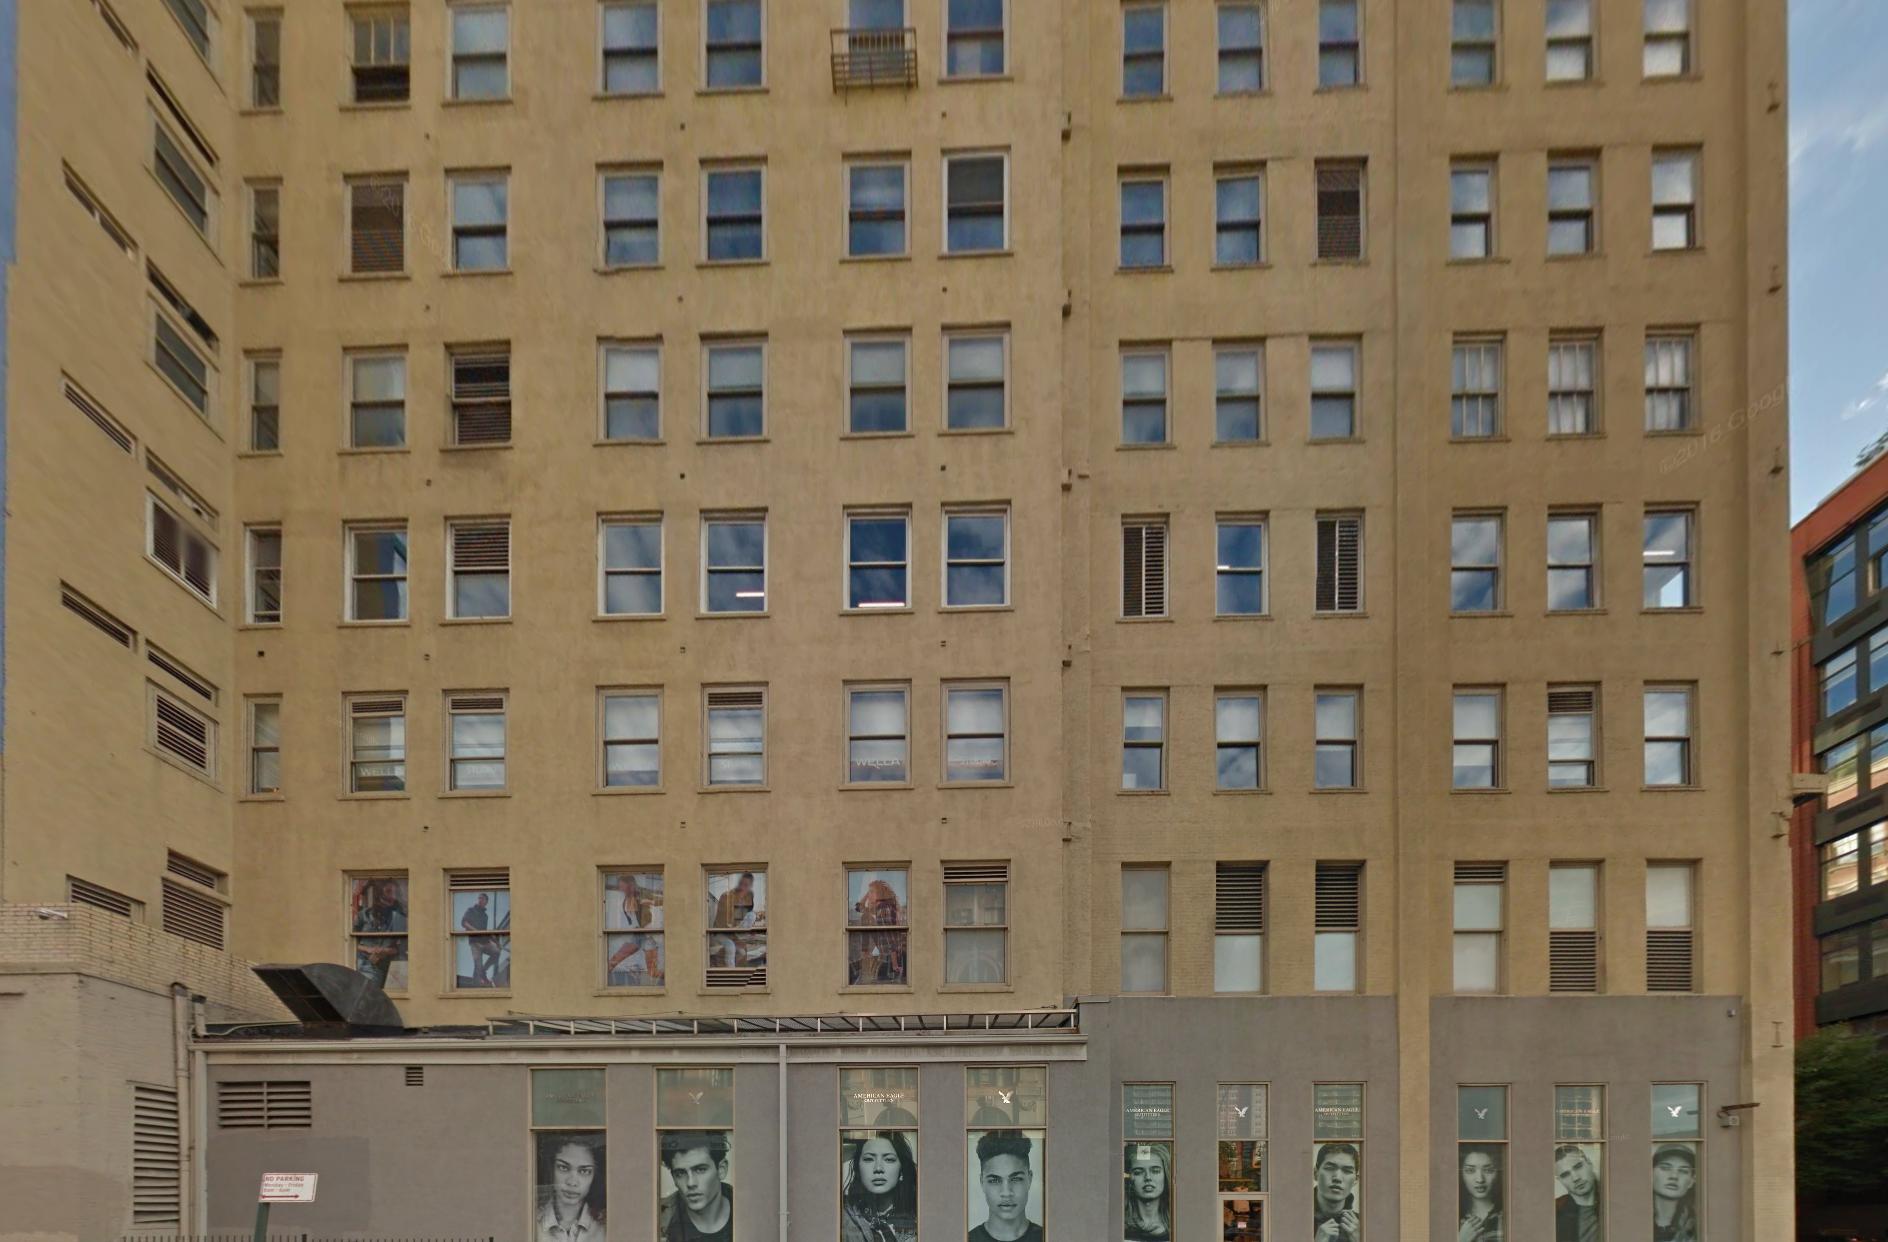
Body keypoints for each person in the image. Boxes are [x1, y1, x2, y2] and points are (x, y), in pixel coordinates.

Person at [842, 1132, 918, 1242]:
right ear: (858, 1168)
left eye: (889, 1159)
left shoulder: (919, 1214)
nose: (878, 1168)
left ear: (901, 1171)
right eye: (869, 1159)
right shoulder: (844, 1217)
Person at [968, 1130, 1043, 1242]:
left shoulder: (1048, 1236)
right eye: (994, 1180)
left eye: (1016, 1179)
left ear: (1029, 1179)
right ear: (982, 1182)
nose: (1006, 1193)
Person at [660, 1131, 734, 1242]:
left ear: (721, 1170)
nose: (690, 1183)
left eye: (700, 1170)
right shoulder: (657, 1218)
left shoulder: (752, 1212)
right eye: (680, 1173)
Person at [535, 1133, 605, 1242]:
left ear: (595, 1176)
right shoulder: (530, 1219)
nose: (572, 1182)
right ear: (551, 1169)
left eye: (584, 1171)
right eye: (563, 1167)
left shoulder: (605, 1225)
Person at [604, 873, 662, 985]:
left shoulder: (643, 893)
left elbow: (662, 900)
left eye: (622, 887)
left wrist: (652, 902)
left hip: (648, 936)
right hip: (638, 935)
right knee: (613, 961)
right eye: (620, 887)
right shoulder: (628, 898)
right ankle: (602, 982)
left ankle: (672, 979)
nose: (621, 889)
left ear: (630, 885)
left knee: (653, 972)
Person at [352, 879, 406, 989]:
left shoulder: (398, 918)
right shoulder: (363, 915)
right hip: (357, 963)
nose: (393, 896)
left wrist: (383, 951)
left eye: (395, 893)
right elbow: (349, 941)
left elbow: (402, 948)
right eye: (388, 891)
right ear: (378, 893)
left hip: (379, 966)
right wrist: (368, 949)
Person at [1123, 1142, 1172, 1241]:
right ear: (1129, 1178)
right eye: (1138, 1172)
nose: (1148, 1177)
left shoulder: (1176, 1224)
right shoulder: (1119, 1224)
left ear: (1165, 1175)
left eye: (1155, 1171)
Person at [1312, 1142, 1362, 1242]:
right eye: (1330, 1168)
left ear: (1356, 1180)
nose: (1337, 1178)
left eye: (1347, 1171)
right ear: (1315, 1173)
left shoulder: (1364, 1225)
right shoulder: (1294, 1219)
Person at [1553, 1145, 1603, 1242]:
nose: (1575, 1178)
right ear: (1560, 1180)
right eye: (1565, 1175)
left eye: (1578, 1167)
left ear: (1589, 1163)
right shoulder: (1556, 1211)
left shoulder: (1616, 1198)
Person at [1651, 1145, 1699, 1242]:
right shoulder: (1632, 1218)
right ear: (1650, 1173)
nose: (1674, 1176)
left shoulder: (1699, 1225)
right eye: (1665, 1168)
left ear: (1691, 1181)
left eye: (1683, 1171)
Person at [1457, 1145, 1504, 1242]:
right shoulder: (1451, 1218)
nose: (1480, 1179)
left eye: (1488, 1170)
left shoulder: (1509, 1217)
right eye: (1470, 1170)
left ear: (1497, 1173)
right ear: (1461, 1174)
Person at [460, 892, 503, 986]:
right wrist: (475, 931)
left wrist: (496, 942)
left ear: (486, 902)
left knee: (497, 952)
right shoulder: (471, 910)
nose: (480, 900)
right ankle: (476, 984)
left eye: (482, 898)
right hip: (475, 942)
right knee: (478, 966)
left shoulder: (485, 916)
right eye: (479, 898)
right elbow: (464, 923)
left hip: (485, 941)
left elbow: (485, 930)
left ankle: (484, 970)